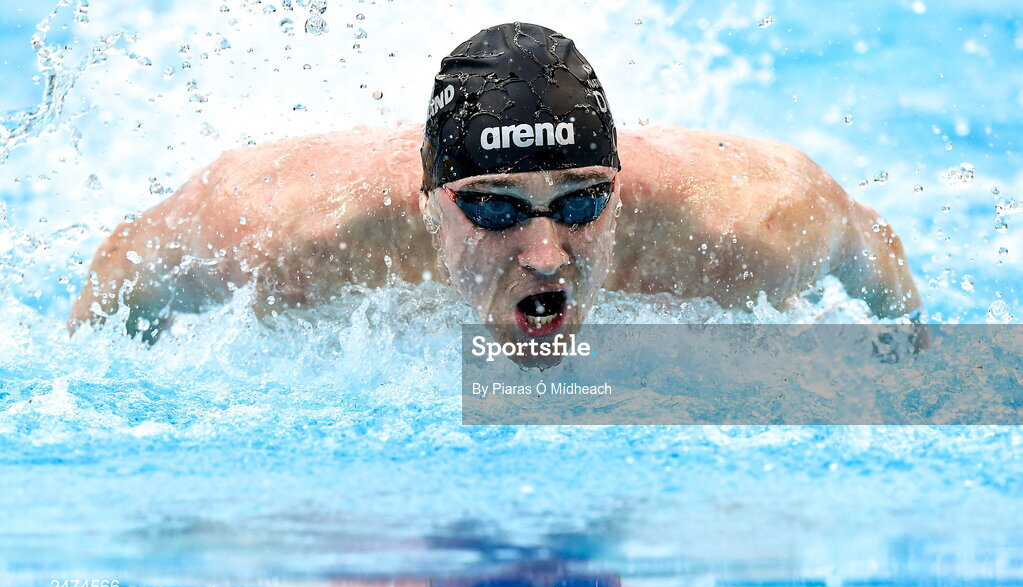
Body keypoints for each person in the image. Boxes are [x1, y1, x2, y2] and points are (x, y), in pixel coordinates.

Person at [68, 22, 922, 346]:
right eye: (492, 208)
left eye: (581, 201)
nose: (545, 253)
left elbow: (872, 254)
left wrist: (912, 354)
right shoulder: (288, 232)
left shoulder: (755, 224)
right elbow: (120, 274)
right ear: (426, 201)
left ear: (619, 186)